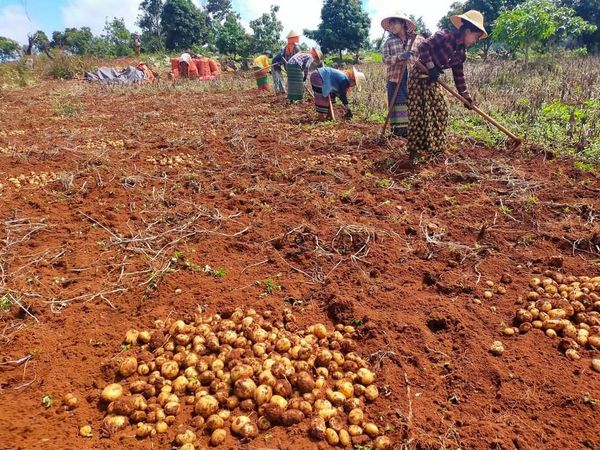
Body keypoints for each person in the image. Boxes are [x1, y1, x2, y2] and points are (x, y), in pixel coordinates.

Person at [408, 10, 487, 162]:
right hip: (420, 75)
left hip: (433, 79)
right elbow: (423, 47)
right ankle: (414, 151)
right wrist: (431, 66)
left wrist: (465, 95)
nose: (476, 40)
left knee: (440, 110)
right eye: (476, 36)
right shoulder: (444, 36)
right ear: (468, 31)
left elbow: (458, 74)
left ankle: (435, 147)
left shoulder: (461, 52)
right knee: (418, 113)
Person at [381, 12, 424, 138]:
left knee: (413, 103)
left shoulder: (418, 40)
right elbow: (385, 59)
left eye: (395, 22)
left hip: (414, 77)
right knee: (396, 103)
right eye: (391, 24)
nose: (392, 26)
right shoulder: (389, 42)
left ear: (403, 23)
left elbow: (424, 56)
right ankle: (398, 133)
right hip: (395, 78)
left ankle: (414, 131)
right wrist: (400, 57)